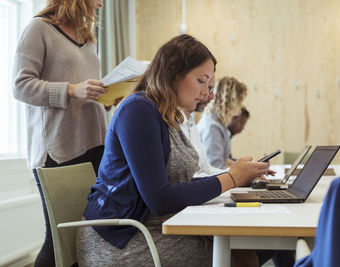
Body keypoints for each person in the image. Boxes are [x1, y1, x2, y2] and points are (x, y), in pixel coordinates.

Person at [77, 34, 270, 267]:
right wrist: (231, 178)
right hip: (124, 239)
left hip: (159, 225)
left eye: (209, 85)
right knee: (243, 256)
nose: (208, 93)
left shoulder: (167, 115)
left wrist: (240, 176)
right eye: (202, 81)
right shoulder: (138, 110)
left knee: (250, 250)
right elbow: (159, 198)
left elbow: (178, 186)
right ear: (174, 74)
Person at [12, 0, 106, 266]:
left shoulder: (87, 37)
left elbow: (86, 89)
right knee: (60, 240)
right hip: (57, 149)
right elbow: (20, 86)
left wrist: (108, 96)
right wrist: (71, 90)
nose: (101, 4)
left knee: (86, 237)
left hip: (94, 144)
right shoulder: (38, 29)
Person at [180, 76, 226, 177]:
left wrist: (241, 176)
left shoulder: (191, 124)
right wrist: (233, 177)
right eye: (209, 89)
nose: (211, 96)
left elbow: (207, 170)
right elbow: (187, 179)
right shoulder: (174, 125)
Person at [197, 77, 247, 169]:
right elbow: (216, 166)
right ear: (229, 101)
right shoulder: (212, 127)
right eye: (239, 101)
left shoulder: (219, 123)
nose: (240, 108)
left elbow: (224, 160)